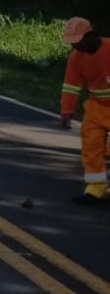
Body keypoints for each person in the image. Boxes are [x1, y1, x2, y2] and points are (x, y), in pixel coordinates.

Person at [59, 17, 110, 205]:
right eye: (72, 42)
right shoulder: (76, 58)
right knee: (91, 146)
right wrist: (67, 111)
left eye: (78, 41)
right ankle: (95, 190)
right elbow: (71, 86)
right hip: (97, 107)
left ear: (90, 35)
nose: (76, 46)